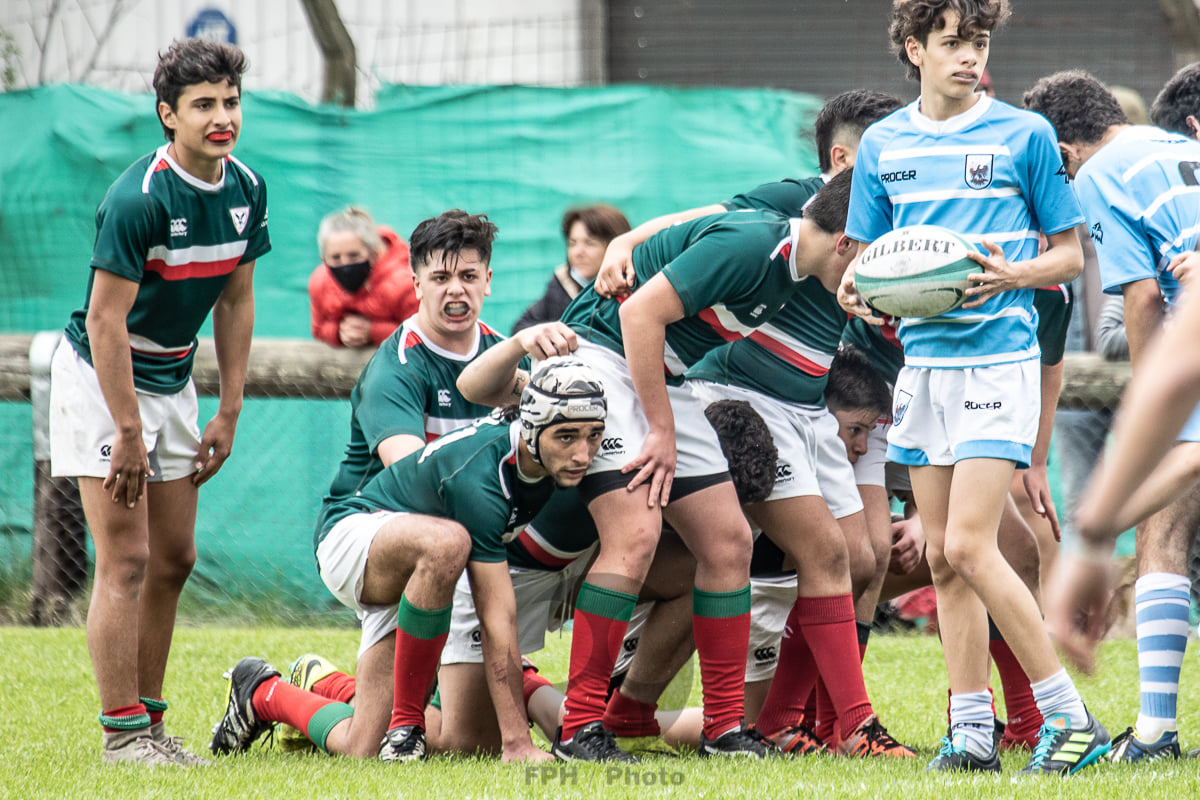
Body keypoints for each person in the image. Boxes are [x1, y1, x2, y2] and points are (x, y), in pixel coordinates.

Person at [460, 171, 857, 761]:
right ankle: (580, 726)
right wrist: (663, 429)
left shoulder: (794, 264)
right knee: (637, 534)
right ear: (846, 240)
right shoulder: (755, 246)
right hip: (596, 358)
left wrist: (626, 243)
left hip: (653, 375)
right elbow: (638, 316)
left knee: (727, 544)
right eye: (876, 247)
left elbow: (682, 225)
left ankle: (724, 730)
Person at [840, 0, 1108, 775]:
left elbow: (1069, 255)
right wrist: (858, 289)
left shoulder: (1023, 135)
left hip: (999, 363)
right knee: (946, 565)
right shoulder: (885, 145)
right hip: (921, 370)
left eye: (979, 41)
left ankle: (1070, 720)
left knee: (966, 541)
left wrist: (1014, 275)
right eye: (953, 42)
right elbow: (866, 261)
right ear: (915, 49)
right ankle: (971, 736)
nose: (969, 56)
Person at [46, 38, 268, 767]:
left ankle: (153, 726)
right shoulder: (137, 197)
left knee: (174, 557)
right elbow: (106, 322)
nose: (221, 117)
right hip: (104, 383)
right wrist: (129, 430)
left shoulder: (248, 188)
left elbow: (236, 299)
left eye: (230, 102)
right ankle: (123, 737)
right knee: (129, 559)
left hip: (175, 379)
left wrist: (229, 410)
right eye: (202, 105)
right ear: (168, 115)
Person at [209, 358, 608, 763]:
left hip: (425, 570)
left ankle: (264, 691)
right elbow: (496, 615)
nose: (582, 453)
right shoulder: (485, 475)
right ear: (532, 428)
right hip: (355, 535)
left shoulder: (541, 458)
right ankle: (406, 727)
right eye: (566, 437)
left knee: (370, 747)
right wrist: (517, 744)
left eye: (594, 436)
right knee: (448, 543)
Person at [1024, 69, 1200, 762]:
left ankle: (1156, 731)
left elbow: (1140, 303)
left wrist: (1095, 539)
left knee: (1166, 520)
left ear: (1066, 151)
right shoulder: (1176, 147)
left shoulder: (1100, 174)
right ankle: (1156, 732)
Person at [308, 206, 417, 348]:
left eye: (354, 256)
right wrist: (338, 332)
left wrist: (373, 332)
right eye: (335, 258)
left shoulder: (404, 284)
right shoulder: (320, 282)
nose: (345, 265)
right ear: (323, 259)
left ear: (374, 254)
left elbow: (423, 337)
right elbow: (318, 329)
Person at [511, 205, 631, 334]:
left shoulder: (632, 287)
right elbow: (521, 328)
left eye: (590, 243)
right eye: (572, 243)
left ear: (616, 246)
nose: (578, 252)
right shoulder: (561, 284)